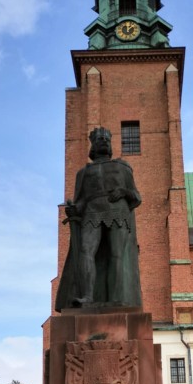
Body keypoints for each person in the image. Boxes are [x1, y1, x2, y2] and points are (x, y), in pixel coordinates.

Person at [55, 126, 142, 310]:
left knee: (116, 254)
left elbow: (136, 196)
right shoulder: (83, 173)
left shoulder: (122, 167)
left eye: (106, 140)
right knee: (86, 251)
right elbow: (81, 201)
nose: (103, 141)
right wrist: (73, 209)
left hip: (118, 211)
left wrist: (124, 192)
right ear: (92, 146)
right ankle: (87, 297)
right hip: (92, 212)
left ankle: (117, 298)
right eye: (99, 139)